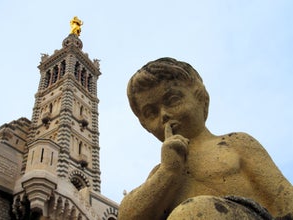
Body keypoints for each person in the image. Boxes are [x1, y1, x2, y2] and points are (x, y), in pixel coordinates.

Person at [118, 57, 293, 219]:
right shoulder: (163, 171)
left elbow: (284, 199)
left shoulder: (236, 143)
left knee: (192, 212)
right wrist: (168, 172)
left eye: (172, 99)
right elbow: (126, 215)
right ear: (145, 125)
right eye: (151, 112)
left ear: (201, 99)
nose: (163, 115)